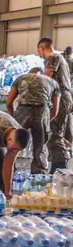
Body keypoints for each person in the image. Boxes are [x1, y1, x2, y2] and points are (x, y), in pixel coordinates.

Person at [6, 67, 58, 174]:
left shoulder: (21, 78)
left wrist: (13, 119)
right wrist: (45, 121)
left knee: (14, 143)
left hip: (22, 111)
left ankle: (8, 172)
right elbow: (55, 111)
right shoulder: (52, 82)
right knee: (40, 148)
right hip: (42, 111)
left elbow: (8, 102)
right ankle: (38, 177)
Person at [39, 37, 73, 171]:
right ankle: (60, 165)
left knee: (54, 134)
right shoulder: (61, 58)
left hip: (60, 98)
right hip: (65, 97)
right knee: (61, 134)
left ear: (42, 48)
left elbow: (46, 77)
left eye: (39, 51)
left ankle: (59, 168)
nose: (39, 55)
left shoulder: (52, 57)